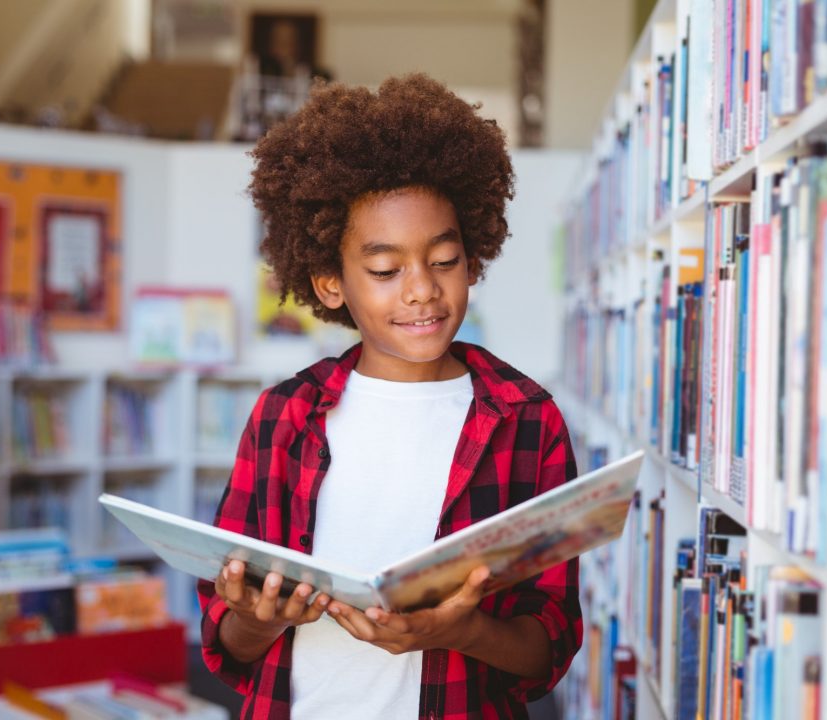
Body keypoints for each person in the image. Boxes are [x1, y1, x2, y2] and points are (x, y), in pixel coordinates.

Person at [197, 73, 582, 720]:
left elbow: (548, 649)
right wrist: (256, 620)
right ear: (328, 284)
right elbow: (227, 643)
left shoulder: (525, 419)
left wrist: (459, 632)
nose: (421, 290)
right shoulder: (283, 417)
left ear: (473, 259)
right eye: (383, 270)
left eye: (444, 259)